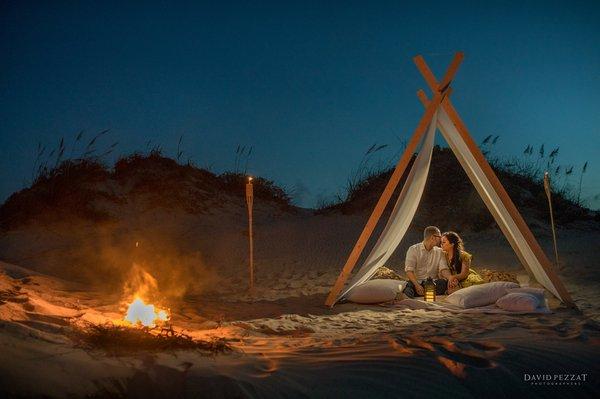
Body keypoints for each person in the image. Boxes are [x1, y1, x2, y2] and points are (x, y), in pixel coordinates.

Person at [403, 226, 452, 298]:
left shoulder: (440, 251)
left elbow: (443, 269)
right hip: (417, 282)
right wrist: (417, 285)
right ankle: (422, 292)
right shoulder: (413, 249)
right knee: (407, 286)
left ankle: (422, 293)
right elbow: (409, 270)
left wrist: (450, 278)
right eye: (439, 237)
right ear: (433, 237)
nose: (441, 240)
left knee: (443, 283)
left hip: (433, 283)